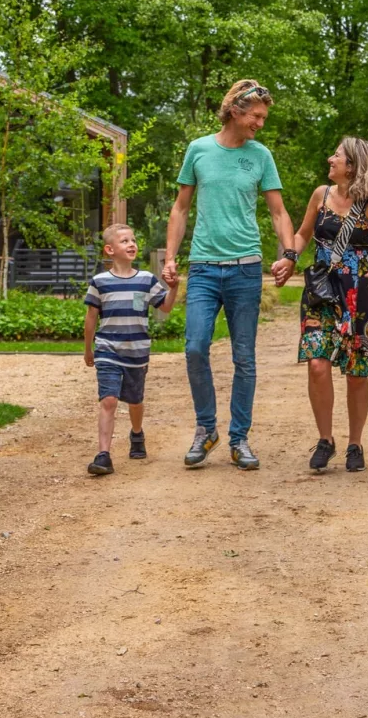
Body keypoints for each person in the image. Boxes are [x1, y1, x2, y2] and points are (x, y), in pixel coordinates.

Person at [163, 79, 297, 470]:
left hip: (246, 269)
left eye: (264, 117)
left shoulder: (260, 156)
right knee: (195, 347)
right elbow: (180, 208)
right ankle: (207, 430)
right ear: (236, 111)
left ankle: (239, 439)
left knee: (244, 357)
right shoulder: (199, 150)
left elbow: (278, 211)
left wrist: (288, 254)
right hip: (203, 268)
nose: (261, 123)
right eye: (257, 116)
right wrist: (170, 258)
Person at [282, 137, 368, 474]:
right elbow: (304, 234)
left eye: (337, 155)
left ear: (352, 166)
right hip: (322, 291)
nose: (330, 158)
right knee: (317, 364)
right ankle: (325, 439)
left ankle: (355, 443)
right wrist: (290, 257)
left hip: (360, 293)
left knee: (356, 373)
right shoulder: (320, 195)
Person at [84, 224, 179, 476]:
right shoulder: (99, 282)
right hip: (107, 350)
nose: (131, 244)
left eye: (133, 240)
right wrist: (88, 350)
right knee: (109, 400)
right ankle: (103, 455)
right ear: (109, 249)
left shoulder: (146, 280)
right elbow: (91, 318)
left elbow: (166, 307)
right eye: (124, 240)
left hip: (137, 351)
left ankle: (136, 434)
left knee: (135, 400)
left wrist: (175, 287)